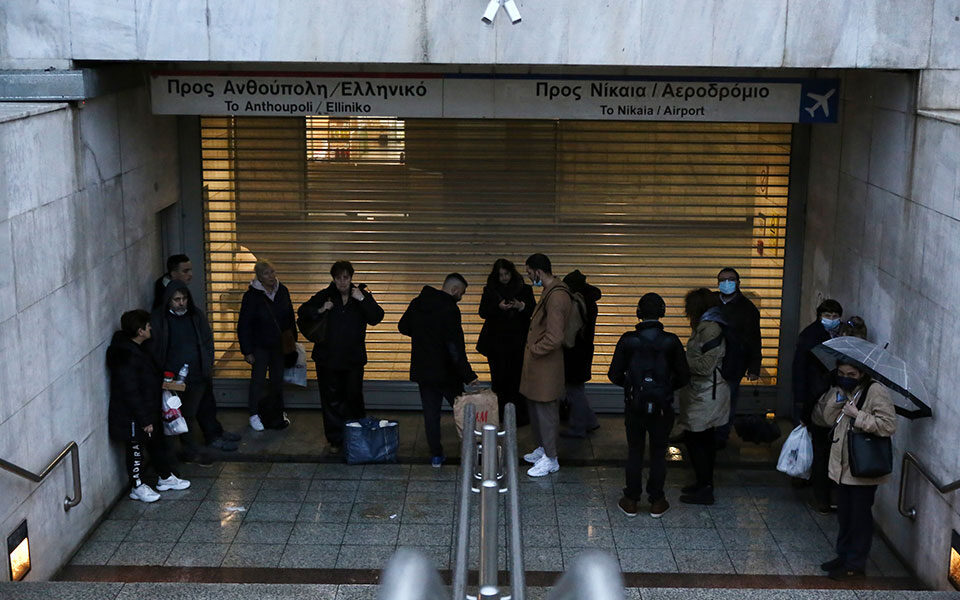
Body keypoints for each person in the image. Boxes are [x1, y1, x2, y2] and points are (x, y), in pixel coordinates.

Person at [608, 293, 690, 518]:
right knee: (658, 452)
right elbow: (684, 376)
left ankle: (631, 500)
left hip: (635, 406)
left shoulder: (628, 340)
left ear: (638, 313)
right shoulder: (671, 341)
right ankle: (657, 501)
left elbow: (613, 374)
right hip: (662, 407)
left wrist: (632, 386)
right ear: (662, 313)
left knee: (635, 451)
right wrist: (664, 388)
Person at [814, 359, 896, 581]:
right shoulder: (848, 390)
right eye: (841, 373)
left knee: (859, 518)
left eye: (851, 374)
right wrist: (837, 396)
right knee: (845, 516)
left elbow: (888, 425)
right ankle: (843, 555)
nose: (845, 377)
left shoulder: (875, 390)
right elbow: (828, 419)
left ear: (862, 373)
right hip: (843, 466)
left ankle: (855, 564)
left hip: (862, 468)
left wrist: (858, 415)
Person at [298, 260, 384, 452]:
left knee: (354, 397)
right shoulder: (325, 295)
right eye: (338, 278)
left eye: (346, 277)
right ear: (334, 279)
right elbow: (303, 312)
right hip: (327, 359)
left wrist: (362, 299)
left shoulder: (360, 295)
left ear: (351, 278)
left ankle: (357, 435)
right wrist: (321, 309)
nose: (342, 282)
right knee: (331, 400)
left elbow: (377, 317)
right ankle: (336, 439)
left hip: (353, 359)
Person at [149, 280, 240, 463]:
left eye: (183, 299)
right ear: (169, 301)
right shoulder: (160, 320)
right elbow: (156, 348)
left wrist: (207, 363)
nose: (181, 303)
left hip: (197, 375)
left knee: (192, 412)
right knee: (176, 415)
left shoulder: (195, 315)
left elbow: (207, 341)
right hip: (173, 378)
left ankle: (192, 446)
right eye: (176, 299)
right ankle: (184, 450)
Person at [107, 310, 191, 503]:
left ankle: (164, 476)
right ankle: (137, 486)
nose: (151, 328)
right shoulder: (127, 357)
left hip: (148, 410)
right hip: (133, 416)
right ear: (140, 331)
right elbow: (131, 391)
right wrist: (144, 419)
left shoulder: (140, 349)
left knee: (156, 444)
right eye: (147, 325)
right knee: (136, 449)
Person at [399, 273, 478, 467]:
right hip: (447, 373)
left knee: (431, 414)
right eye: (462, 293)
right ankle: (471, 451)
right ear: (454, 290)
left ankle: (436, 455)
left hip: (424, 371)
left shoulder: (418, 302)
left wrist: (422, 333)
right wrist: (468, 375)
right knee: (462, 412)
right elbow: (455, 346)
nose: (461, 297)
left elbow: (403, 326)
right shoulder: (450, 309)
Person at [675, 288, 730, 505]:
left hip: (708, 392)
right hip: (704, 391)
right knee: (699, 439)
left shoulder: (711, 328)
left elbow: (707, 365)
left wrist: (681, 361)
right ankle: (702, 483)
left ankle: (705, 487)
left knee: (699, 439)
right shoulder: (706, 326)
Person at [519, 254, 572, 477]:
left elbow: (555, 337)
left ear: (538, 272)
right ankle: (543, 450)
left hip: (546, 367)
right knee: (537, 409)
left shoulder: (557, 296)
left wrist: (534, 350)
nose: (529, 277)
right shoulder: (549, 292)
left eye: (530, 273)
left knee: (547, 412)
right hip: (540, 367)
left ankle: (551, 458)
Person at [792, 298, 843, 512]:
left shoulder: (837, 336)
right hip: (817, 401)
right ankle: (821, 495)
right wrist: (803, 403)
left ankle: (814, 485)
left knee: (822, 450)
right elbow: (801, 371)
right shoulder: (811, 337)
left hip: (825, 400)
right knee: (821, 450)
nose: (831, 320)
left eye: (834, 316)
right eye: (827, 316)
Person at [238, 260, 297, 431]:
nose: (271, 276)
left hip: (279, 346)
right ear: (259, 277)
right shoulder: (251, 296)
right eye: (266, 273)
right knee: (257, 380)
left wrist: (292, 341)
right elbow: (244, 324)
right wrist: (247, 350)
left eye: (272, 272)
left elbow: (289, 317)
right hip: (260, 346)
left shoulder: (282, 291)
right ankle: (254, 414)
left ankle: (277, 411)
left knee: (277, 381)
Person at [477, 258, 535, 426]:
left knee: (517, 380)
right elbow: (483, 312)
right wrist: (497, 307)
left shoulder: (524, 290)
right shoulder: (490, 291)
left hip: (517, 343)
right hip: (497, 344)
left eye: (506, 274)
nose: (504, 278)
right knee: (500, 380)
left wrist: (520, 306)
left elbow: (533, 309)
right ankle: (502, 414)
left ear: (512, 273)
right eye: (500, 275)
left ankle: (519, 416)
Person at [715, 267, 762, 446]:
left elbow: (754, 339)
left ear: (738, 283)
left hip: (733, 363)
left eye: (731, 279)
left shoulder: (747, 309)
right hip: (710, 362)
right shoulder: (711, 302)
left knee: (728, 400)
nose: (727, 283)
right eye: (723, 280)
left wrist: (754, 367)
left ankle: (721, 436)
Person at [560, 269, 602, 438]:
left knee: (574, 390)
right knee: (577, 389)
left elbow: (571, 331)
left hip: (575, 352)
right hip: (584, 350)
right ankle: (590, 421)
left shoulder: (578, 302)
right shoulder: (589, 300)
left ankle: (578, 427)